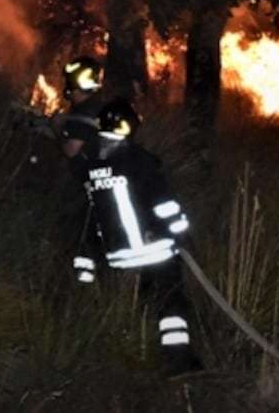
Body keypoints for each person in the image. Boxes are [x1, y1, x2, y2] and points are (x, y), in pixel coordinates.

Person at [72, 98, 202, 378]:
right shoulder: (140, 161)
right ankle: (178, 361)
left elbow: (86, 217)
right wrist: (184, 237)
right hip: (153, 249)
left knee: (137, 304)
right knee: (171, 302)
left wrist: (86, 270)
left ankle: (127, 357)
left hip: (116, 256)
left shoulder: (89, 169)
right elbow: (164, 206)